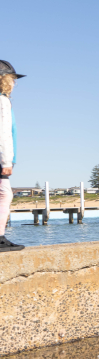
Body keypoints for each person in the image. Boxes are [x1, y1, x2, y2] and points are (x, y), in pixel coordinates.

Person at [0, 61, 25, 251]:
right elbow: (4, 132)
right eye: (13, 79)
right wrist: (6, 161)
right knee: (5, 195)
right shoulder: (2, 100)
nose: (15, 83)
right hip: (1, 156)